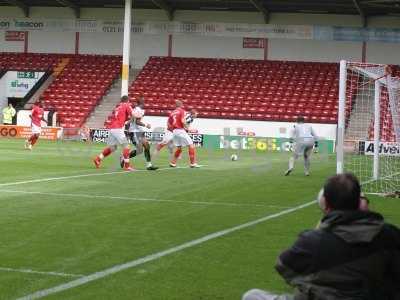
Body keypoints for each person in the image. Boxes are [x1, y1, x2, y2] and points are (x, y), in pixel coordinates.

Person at [243, 173, 400, 300]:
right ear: (359, 202)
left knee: (252, 296)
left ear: (326, 204)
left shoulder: (313, 241)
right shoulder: (389, 233)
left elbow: (284, 266)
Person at [93, 95, 139, 171]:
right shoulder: (127, 105)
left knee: (113, 147)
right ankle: (127, 166)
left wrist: (127, 121)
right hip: (118, 129)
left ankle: (98, 159)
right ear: (127, 100)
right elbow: (133, 115)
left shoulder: (118, 107)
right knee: (126, 146)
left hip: (112, 128)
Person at [121, 96, 158, 171]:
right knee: (140, 150)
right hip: (134, 132)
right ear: (141, 102)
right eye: (143, 101)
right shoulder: (138, 110)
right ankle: (124, 157)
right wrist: (146, 125)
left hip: (139, 131)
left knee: (147, 146)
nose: (144, 102)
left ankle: (149, 165)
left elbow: (132, 120)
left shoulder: (139, 110)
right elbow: (137, 122)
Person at [169, 101, 199, 168]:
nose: (197, 115)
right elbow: (183, 121)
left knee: (179, 148)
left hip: (175, 131)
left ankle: (173, 163)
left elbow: (170, 123)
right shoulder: (186, 114)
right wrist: (189, 130)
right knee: (191, 145)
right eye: (196, 114)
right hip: (180, 130)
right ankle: (192, 163)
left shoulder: (173, 112)